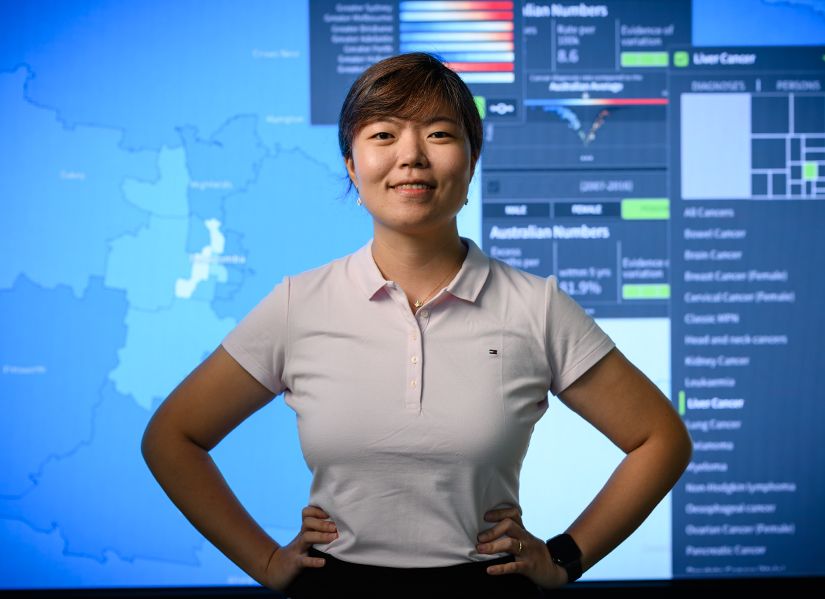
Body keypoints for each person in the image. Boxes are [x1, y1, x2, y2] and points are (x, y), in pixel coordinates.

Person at [141, 52, 692, 598]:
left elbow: (659, 439)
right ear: (352, 167)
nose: (411, 156)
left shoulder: (535, 306)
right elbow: (173, 438)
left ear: (472, 161)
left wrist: (565, 558)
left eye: (439, 134)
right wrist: (264, 560)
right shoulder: (298, 304)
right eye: (383, 134)